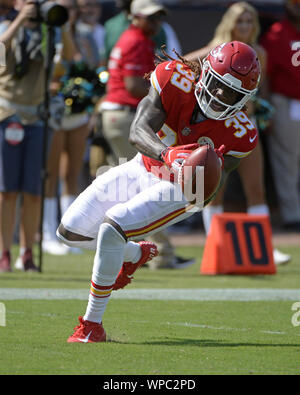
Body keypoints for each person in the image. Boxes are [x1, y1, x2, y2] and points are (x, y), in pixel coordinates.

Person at [56, 40, 261, 342]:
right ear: (204, 74)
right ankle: (134, 253)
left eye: (231, 93)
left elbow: (207, 190)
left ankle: (91, 326)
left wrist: (200, 167)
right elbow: (137, 130)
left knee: (113, 226)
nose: (220, 95)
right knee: (69, 232)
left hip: (182, 188)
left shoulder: (241, 133)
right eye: (217, 85)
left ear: (244, 98)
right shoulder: (173, 78)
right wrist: (168, 154)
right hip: (144, 165)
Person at [185, 1, 291, 266]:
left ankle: (264, 247)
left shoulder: (260, 52)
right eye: (239, 21)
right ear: (229, 24)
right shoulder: (217, 50)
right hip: (220, 128)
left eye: (249, 21)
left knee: (256, 188)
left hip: (248, 125)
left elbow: (259, 92)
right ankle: (214, 246)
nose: (244, 26)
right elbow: (182, 64)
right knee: (215, 190)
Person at [100, 0, 191, 270]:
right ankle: (160, 253)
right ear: (135, 17)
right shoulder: (136, 41)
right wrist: (166, 96)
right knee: (148, 185)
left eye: (159, 18)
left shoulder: (134, 37)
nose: (156, 23)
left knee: (134, 188)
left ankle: (141, 250)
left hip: (119, 114)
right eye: (150, 18)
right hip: (125, 115)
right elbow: (132, 85)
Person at [0, 0, 73, 272]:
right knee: (7, 191)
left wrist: (61, 25)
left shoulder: (48, 33)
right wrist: (20, 20)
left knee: (33, 191)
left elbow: (71, 56)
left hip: (37, 117)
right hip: (8, 114)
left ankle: (28, 251)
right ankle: (4, 251)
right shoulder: (7, 26)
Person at [42, 0, 106, 255]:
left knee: (71, 173)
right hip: (53, 111)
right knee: (51, 172)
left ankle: (69, 233)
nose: (68, 13)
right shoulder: (46, 33)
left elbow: (91, 67)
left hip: (79, 111)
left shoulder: (86, 35)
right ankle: (47, 235)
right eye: (63, 8)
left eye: (71, 8)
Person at [260, 0, 300, 233]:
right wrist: (268, 108)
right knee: (287, 161)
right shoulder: (277, 33)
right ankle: (292, 215)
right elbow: (265, 74)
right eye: (294, 2)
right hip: (286, 101)